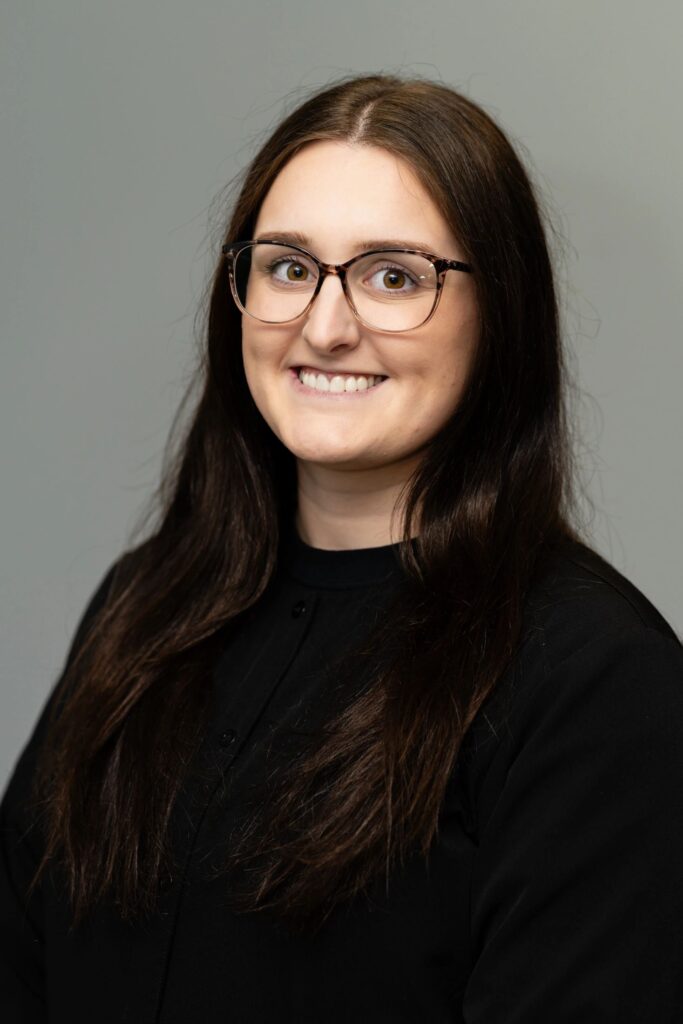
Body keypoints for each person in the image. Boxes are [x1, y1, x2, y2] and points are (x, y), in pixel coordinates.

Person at [1, 71, 682, 1024]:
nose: (324, 326)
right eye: (287, 266)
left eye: (394, 276)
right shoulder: (146, 606)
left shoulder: (596, 680)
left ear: (503, 316)